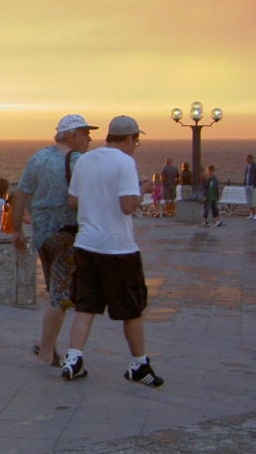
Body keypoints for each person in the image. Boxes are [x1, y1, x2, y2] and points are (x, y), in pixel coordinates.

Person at [62, 115, 161, 387]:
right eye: (136, 142)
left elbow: (73, 200)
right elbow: (128, 206)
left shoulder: (85, 160)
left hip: (86, 244)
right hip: (118, 247)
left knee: (86, 305)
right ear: (130, 138)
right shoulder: (125, 162)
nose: (135, 146)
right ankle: (139, 364)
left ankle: (73, 358)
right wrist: (141, 190)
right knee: (131, 308)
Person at [10, 114, 97, 367]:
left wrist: (17, 231)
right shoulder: (80, 161)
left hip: (43, 236)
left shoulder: (38, 157)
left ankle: (50, 346)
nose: (89, 138)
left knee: (56, 291)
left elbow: (20, 194)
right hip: (67, 234)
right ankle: (47, 352)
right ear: (70, 136)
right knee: (60, 296)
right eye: (84, 133)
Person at [244, 155, 256, 219]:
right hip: (247, 185)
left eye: (247, 159)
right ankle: (252, 213)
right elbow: (246, 175)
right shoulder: (247, 166)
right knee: (249, 201)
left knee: (254, 200)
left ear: (251, 159)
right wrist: (245, 184)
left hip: (253, 186)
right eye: (246, 159)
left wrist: (255, 185)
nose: (246, 160)